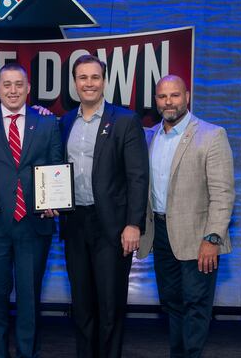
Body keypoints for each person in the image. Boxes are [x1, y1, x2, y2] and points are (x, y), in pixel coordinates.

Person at [0, 63, 62, 358]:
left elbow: (55, 166)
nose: (13, 90)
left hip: (34, 225)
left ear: (28, 88)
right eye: (6, 84)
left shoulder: (47, 123)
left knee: (29, 299)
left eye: (19, 84)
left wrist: (55, 201)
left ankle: (27, 353)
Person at [137, 74, 235, 358]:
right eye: (162, 96)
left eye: (175, 95)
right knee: (172, 303)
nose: (169, 102)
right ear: (156, 101)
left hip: (199, 236)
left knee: (195, 304)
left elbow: (223, 193)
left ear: (187, 97)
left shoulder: (212, 135)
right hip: (160, 234)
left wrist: (212, 238)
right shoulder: (149, 136)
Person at [58, 55, 149, 358]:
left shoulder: (124, 120)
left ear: (104, 81)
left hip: (112, 227)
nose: (89, 83)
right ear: (75, 83)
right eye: (82, 78)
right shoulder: (65, 122)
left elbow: (138, 176)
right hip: (75, 223)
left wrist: (134, 223)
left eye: (95, 77)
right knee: (82, 305)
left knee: (110, 306)